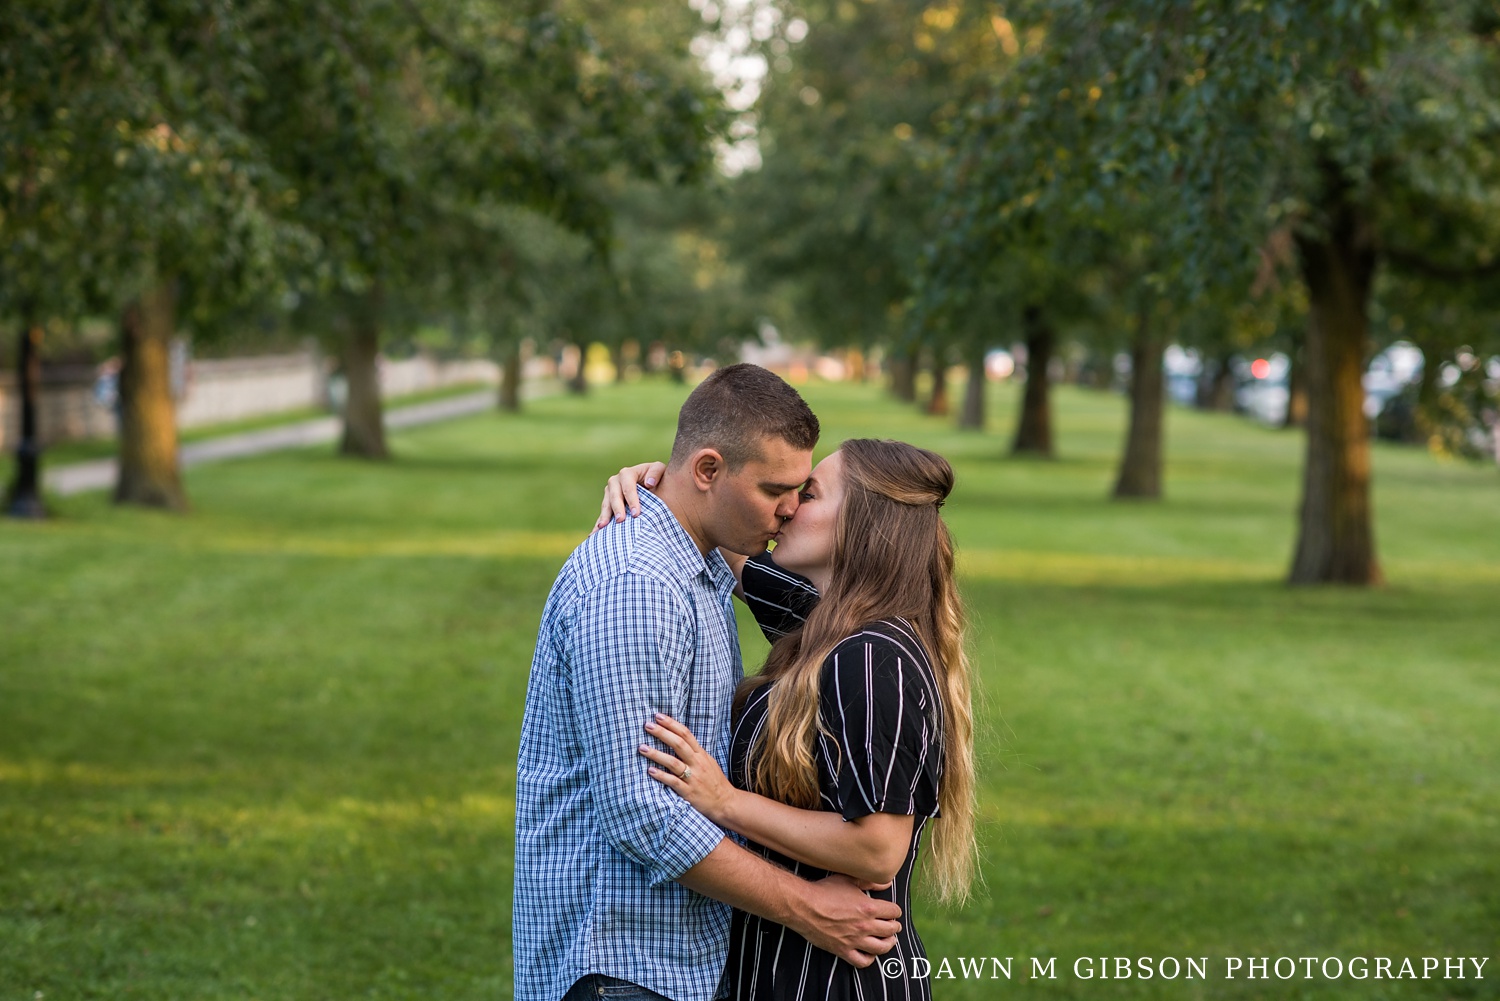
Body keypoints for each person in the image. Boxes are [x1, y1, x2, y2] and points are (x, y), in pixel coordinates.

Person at [514, 364, 904, 1001]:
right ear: (708, 470)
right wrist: (807, 906)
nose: (789, 509)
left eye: (803, 491)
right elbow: (642, 813)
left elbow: (851, 625)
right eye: (775, 489)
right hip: (622, 967)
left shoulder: (703, 564)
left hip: (674, 963)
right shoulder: (636, 584)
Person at [600, 438, 977, 1001]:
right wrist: (661, 487)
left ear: (862, 524)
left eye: (811, 493)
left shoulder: (872, 656)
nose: (789, 506)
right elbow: (720, 536)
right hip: (785, 969)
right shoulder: (827, 627)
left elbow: (877, 848)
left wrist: (725, 801)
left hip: (834, 977)